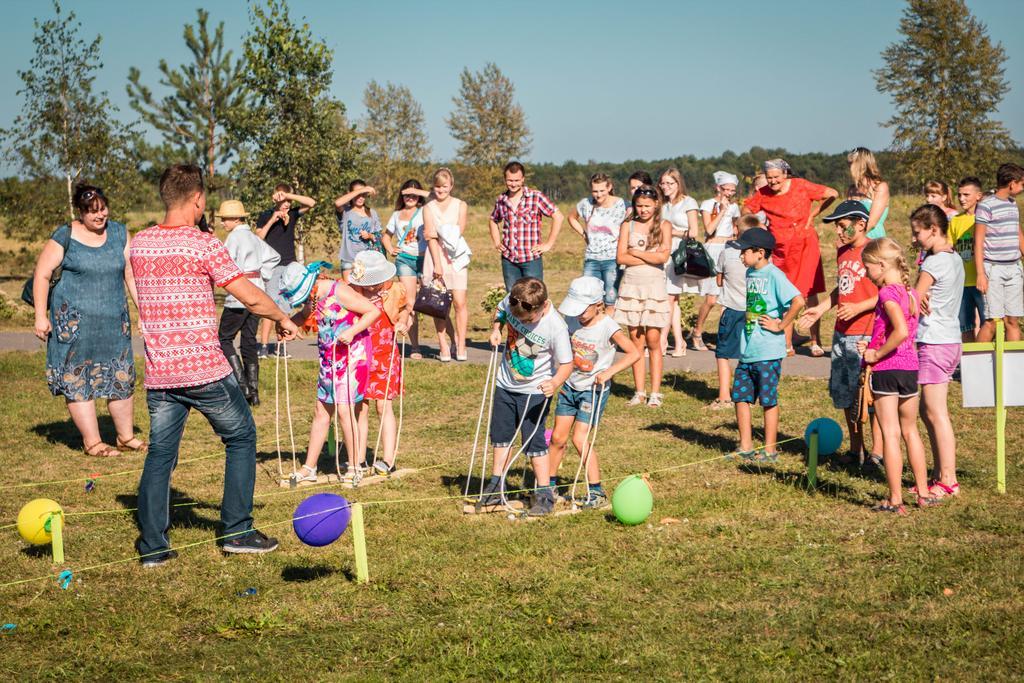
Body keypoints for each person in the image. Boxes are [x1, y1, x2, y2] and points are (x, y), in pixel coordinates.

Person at [130, 164, 301, 566]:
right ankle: (237, 530)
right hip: (204, 369)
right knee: (241, 438)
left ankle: (153, 546)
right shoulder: (204, 244)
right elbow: (250, 296)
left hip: (161, 374)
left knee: (160, 455)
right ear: (198, 200)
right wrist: (284, 318)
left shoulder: (139, 243)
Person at [32, 184, 144, 457]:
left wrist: (143, 311)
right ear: (80, 212)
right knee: (78, 379)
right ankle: (92, 442)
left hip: (114, 325)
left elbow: (130, 274)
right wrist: (39, 316)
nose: (100, 215)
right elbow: (42, 274)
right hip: (73, 327)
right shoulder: (65, 235)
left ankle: (125, 437)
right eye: (93, 211)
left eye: (103, 208)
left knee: (121, 378)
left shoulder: (119, 233)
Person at [479, 277, 573, 516]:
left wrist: (554, 382)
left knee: (534, 441)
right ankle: (496, 485)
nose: (524, 322)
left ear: (543, 306)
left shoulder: (555, 326)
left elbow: (566, 364)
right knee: (501, 437)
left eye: (528, 320)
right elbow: (500, 312)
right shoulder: (514, 301)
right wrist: (496, 330)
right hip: (505, 383)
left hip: (535, 391)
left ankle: (543, 494)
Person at [857, 237, 937, 514]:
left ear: (880, 264)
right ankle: (924, 493)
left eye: (868, 268)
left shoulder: (888, 294)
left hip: (888, 368)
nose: (867, 273)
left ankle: (895, 499)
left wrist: (876, 354)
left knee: (890, 434)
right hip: (909, 369)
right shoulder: (911, 293)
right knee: (910, 431)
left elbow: (900, 331)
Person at [798, 201, 881, 466]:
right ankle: (857, 450)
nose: (838, 232)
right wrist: (821, 309)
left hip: (865, 335)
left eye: (843, 226)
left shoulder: (875, 251)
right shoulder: (843, 251)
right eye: (837, 226)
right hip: (841, 334)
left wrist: (859, 306)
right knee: (846, 395)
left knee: (868, 397)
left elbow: (887, 293)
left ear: (861, 224)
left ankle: (878, 453)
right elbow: (843, 287)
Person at [548, 276, 640, 507]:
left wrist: (610, 372)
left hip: (593, 390)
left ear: (597, 304)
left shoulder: (608, 326)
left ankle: (597, 492)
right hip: (570, 386)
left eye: (582, 309)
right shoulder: (571, 320)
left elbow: (634, 353)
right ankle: (547, 487)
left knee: (580, 439)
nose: (578, 314)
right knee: (558, 438)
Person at [286, 261, 379, 485]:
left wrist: (352, 330)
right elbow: (304, 316)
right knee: (321, 410)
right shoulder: (314, 295)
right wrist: (288, 325)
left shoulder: (340, 291)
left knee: (345, 411)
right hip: (329, 358)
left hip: (352, 357)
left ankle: (355, 465)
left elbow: (372, 311)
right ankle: (309, 467)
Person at [742, 158, 837, 356]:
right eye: (769, 178)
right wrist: (759, 228)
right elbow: (747, 210)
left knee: (809, 292)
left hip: (805, 246)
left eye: (776, 177)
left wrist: (814, 214)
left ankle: (814, 341)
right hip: (780, 250)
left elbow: (832, 194)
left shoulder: (801, 186)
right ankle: (787, 344)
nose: (773, 181)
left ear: (785, 174)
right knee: (785, 294)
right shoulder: (764, 193)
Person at [729, 228, 805, 462]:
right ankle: (746, 447)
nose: (741, 256)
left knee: (768, 400)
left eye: (744, 252)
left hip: (768, 352)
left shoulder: (774, 275)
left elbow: (798, 300)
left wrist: (781, 325)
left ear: (760, 252)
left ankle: (770, 449)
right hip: (748, 350)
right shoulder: (751, 273)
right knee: (740, 397)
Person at [911, 204, 964, 500]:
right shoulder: (953, 258)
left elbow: (913, 301)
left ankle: (948, 479)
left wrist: (911, 294)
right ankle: (937, 474)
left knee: (935, 411)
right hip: (950, 340)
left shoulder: (932, 263)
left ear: (933, 229)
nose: (915, 238)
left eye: (918, 232)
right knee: (927, 410)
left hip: (934, 341)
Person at [348, 251, 412, 476]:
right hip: (360, 354)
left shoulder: (394, 290)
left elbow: (405, 312)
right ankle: (358, 458)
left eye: (376, 282)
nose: (373, 288)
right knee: (360, 406)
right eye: (369, 283)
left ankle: (388, 459)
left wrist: (403, 323)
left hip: (385, 354)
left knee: (383, 405)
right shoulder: (353, 294)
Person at [216, 199, 280, 407]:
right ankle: (254, 391)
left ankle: (242, 386)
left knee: (224, 339)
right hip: (257, 290)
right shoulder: (253, 237)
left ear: (236, 219)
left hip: (239, 293)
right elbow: (273, 257)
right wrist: (262, 277)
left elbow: (224, 263)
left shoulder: (234, 238)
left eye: (225, 219)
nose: (222, 223)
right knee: (249, 340)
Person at [614, 184, 672, 408]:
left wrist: (637, 253)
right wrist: (650, 256)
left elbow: (663, 258)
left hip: (654, 288)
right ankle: (639, 391)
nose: (643, 210)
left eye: (647, 206)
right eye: (639, 206)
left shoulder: (664, 226)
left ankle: (655, 392)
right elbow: (620, 257)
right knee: (636, 339)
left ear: (656, 204)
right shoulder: (627, 226)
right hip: (631, 286)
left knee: (654, 340)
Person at [254, 183, 316, 359]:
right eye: (283, 200)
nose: (287, 204)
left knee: (285, 308)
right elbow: (259, 237)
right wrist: (273, 219)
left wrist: (290, 196)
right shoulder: (266, 215)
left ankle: (280, 346)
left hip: (290, 267)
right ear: (275, 198)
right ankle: (264, 346)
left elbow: (311, 202)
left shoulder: (294, 214)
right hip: (272, 266)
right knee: (271, 306)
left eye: (288, 200)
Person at [489, 161, 564, 290]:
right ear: (505, 179)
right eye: (510, 180)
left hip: (531, 258)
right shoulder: (501, 200)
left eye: (517, 180)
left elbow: (558, 216)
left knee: (534, 297)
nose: (513, 184)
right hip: (509, 259)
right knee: (513, 298)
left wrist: (549, 244)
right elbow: (493, 220)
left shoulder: (536, 197)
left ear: (523, 179)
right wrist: (497, 242)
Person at [710, 213, 758, 410]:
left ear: (736, 230)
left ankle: (724, 396)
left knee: (723, 353)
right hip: (753, 311)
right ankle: (750, 394)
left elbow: (719, 280)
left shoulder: (727, 253)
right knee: (750, 354)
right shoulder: (759, 257)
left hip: (731, 310)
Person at [423, 168, 471, 361]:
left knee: (460, 302)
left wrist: (436, 232)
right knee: (439, 304)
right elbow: (429, 236)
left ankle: (460, 343)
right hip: (436, 257)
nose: (440, 190)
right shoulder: (428, 207)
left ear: (451, 186)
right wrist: (437, 264)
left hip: (456, 256)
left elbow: (459, 230)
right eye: (437, 186)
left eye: (444, 186)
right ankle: (443, 343)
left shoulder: (460, 205)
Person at [974, 163, 1024, 343]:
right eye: (1021, 184)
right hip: (993, 269)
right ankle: (977, 367)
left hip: (1014, 269)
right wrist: (981, 273)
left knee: (1012, 320)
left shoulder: (1012, 204)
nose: (1022, 188)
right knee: (991, 322)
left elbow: (1017, 233)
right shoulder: (986, 206)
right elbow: (978, 242)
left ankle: (1015, 368)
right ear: (1012, 183)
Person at [693, 171, 742, 350]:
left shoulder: (735, 207)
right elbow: (709, 229)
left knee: (727, 297)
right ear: (718, 188)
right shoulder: (708, 204)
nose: (728, 193)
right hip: (712, 249)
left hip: (728, 249)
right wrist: (722, 211)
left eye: (732, 190)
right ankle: (697, 331)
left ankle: (725, 335)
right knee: (711, 298)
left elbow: (736, 229)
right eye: (725, 189)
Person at [567, 173, 627, 316]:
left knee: (610, 299)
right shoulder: (586, 204)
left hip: (612, 259)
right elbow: (571, 217)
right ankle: (595, 331)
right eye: (595, 191)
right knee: (589, 298)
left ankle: (608, 334)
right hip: (592, 259)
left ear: (609, 187)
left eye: (602, 190)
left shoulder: (621, 204)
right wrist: (583, 233)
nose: (598, 194)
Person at [383, 180, 427, 358]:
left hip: (425, 259)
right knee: (410, 304)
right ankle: (415, 346)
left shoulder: (425, 211)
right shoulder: (396, 215)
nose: (410, 197)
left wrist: (417, 192)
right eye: (407, 194)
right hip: (405, 260)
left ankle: (451, 343)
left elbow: (434, 197)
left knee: (434, 301)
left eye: (414, 194)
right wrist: (390, 248)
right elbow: (386, 236)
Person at [658, 168, 700, 356]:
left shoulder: (688, 202)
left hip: (679, 252)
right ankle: (679, 342)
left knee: (669, 298)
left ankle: (661, 342)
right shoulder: (663, 205)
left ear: (678, 183)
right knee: (672, 300)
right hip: (665, 251)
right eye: (663, 183)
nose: (665, 187)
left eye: (670, 183)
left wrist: (670, 231)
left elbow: (693, 232)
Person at [947, 177, 986, 341]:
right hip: (962, 284)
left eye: (966, 195)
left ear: (979, 196)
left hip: (983, 282)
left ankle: (991, 363)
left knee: (988, 324)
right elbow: (949, 248)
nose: (962, 199)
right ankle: (970, 364)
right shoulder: (955, 220)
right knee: (965, 326)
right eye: (959, 194)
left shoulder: (984, 219)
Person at [334, 180, 384, 277]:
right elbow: (337, 203)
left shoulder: (372, 213)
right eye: (357, 194)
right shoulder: (345, 211)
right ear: (351, 194)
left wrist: (369, 235)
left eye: (363, 194)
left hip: (368, 261)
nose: (360, 197)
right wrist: (363, 190)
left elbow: (379, 237)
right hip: (349, 260)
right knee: (350, 292)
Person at [847, 147, 889, 239]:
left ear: (861, 165)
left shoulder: (880, 187)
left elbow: (872, 222)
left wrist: (851, 238)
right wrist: (845, 237)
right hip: (853, 239)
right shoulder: (852, 190)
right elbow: (849, 221)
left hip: (872, 240)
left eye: (851, 164)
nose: (849, 167)